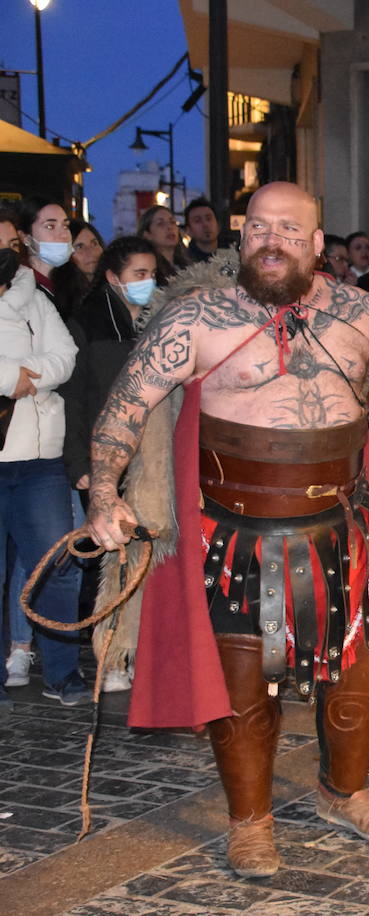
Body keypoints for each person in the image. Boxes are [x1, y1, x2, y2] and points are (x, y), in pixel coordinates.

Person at [83, 181, 369, 878]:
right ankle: (250, 819)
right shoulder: (195, 319)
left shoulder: (355, 311)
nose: (272, 240)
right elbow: (125, 407)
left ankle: (341, 792)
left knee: (360, 669)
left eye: (290, 230)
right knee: (241, 683)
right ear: (241, 236)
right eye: (259, 227)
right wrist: (105, 492)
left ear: (317, 243)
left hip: (344, 527)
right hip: (231, 534)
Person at [58, 236, 160, 692]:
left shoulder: (163, 320)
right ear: (114, 278)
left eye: (153, 273)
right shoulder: (89, 322)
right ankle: (112, 655)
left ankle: (145, 650)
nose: (148, 282)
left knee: (150, 558)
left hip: (153, 455)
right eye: (139, 275)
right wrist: (80, 461)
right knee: (113, 562)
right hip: (105, 456)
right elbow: (75, 398)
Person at [0, 249, 85, 706]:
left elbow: (65, 358)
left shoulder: (34, 297)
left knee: (56, 565)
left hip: (38, 457)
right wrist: (11, 375)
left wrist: (28, 380)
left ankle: (62, 673)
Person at [15, 196, 73, 300]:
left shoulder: (75, 282)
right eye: (50, 226)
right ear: (25, 237)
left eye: (65, 226)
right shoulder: (16, 287)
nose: (64, 234)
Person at [138, 204, 189, 277]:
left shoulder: (188, 265)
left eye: (172, 222)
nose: (169, 227)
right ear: (147, 235)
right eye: (160, 224)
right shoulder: (149, 271)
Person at [185, 199, 223, 263]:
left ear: (218, 225)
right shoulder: (185, 262)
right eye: (197, 221)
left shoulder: (235, 254)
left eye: (209, 219)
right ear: (188, 231)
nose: (205, 224)